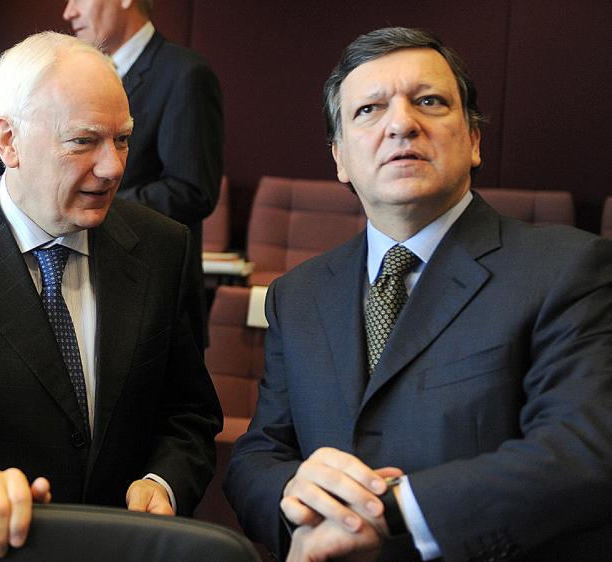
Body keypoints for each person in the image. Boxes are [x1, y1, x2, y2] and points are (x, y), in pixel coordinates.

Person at [223, 27, 612, 562]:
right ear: (339, 158)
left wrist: (391, 511)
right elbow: (259, 454)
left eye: (429, 102)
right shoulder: (298, 294)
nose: (402, 124)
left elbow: (582, 452)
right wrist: (293, 498)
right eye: (369, 110)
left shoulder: (569, 268)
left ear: (474, 140)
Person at [0, 31, 222, 559]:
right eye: (84, 141)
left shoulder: (163, 247)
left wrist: (164, 481)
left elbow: (188, 413)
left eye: (122, 139)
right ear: (8, 140)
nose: (113, 167)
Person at [63, 0, 224, 350]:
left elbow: (192, 191)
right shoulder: (80, 78)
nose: (68, 12)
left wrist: (87, 204)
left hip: (154, 295)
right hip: (85, 288)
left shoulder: (184, 73)